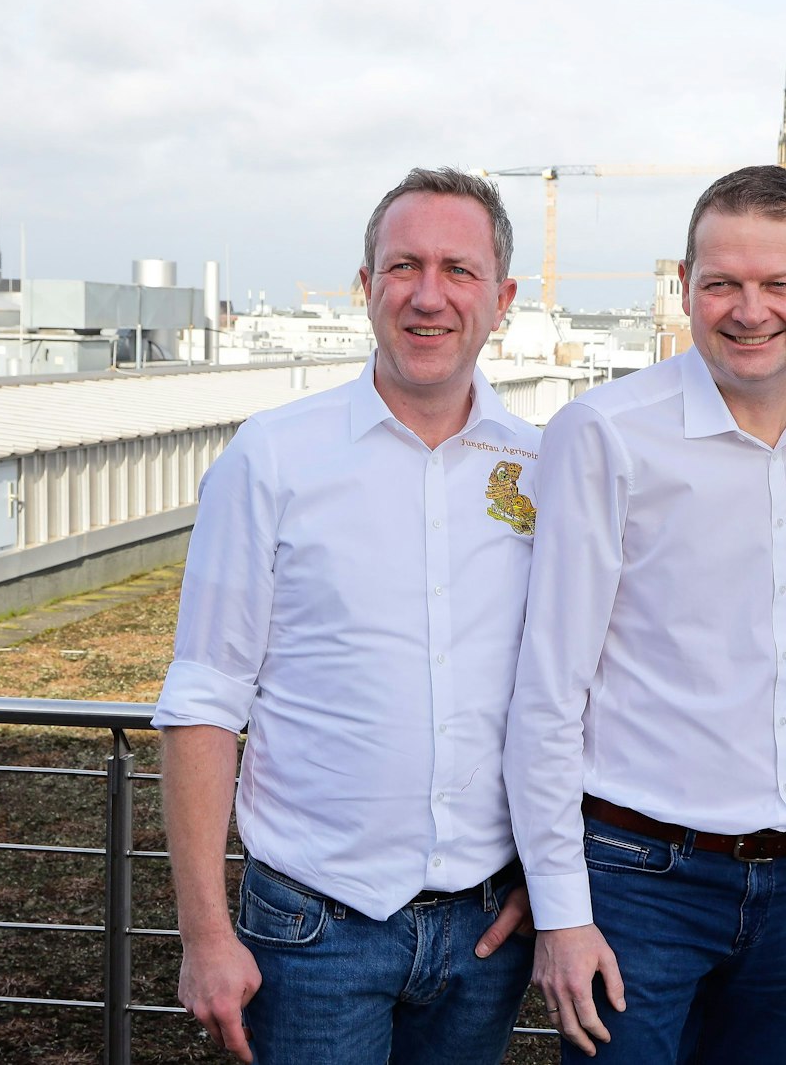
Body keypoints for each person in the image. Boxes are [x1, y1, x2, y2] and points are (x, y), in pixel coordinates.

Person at [153, 167, 542, 1065]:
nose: (428, 295)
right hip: (314, 931)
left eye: (459, 269)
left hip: (488, 931)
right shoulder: (274, 458)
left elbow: (570, 685)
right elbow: (206, 694)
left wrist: (549, 876)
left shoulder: (545, 465)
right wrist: (206, 934)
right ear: (365, 287)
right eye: (403, 266)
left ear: (503, 296)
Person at [504, 165, 786, 1063]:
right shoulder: (606, 432)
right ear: (685, 285)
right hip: (640, 879)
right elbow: (549, 685)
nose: (750, 310)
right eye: (722, 284)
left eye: (779, 284)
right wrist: (561, 910)